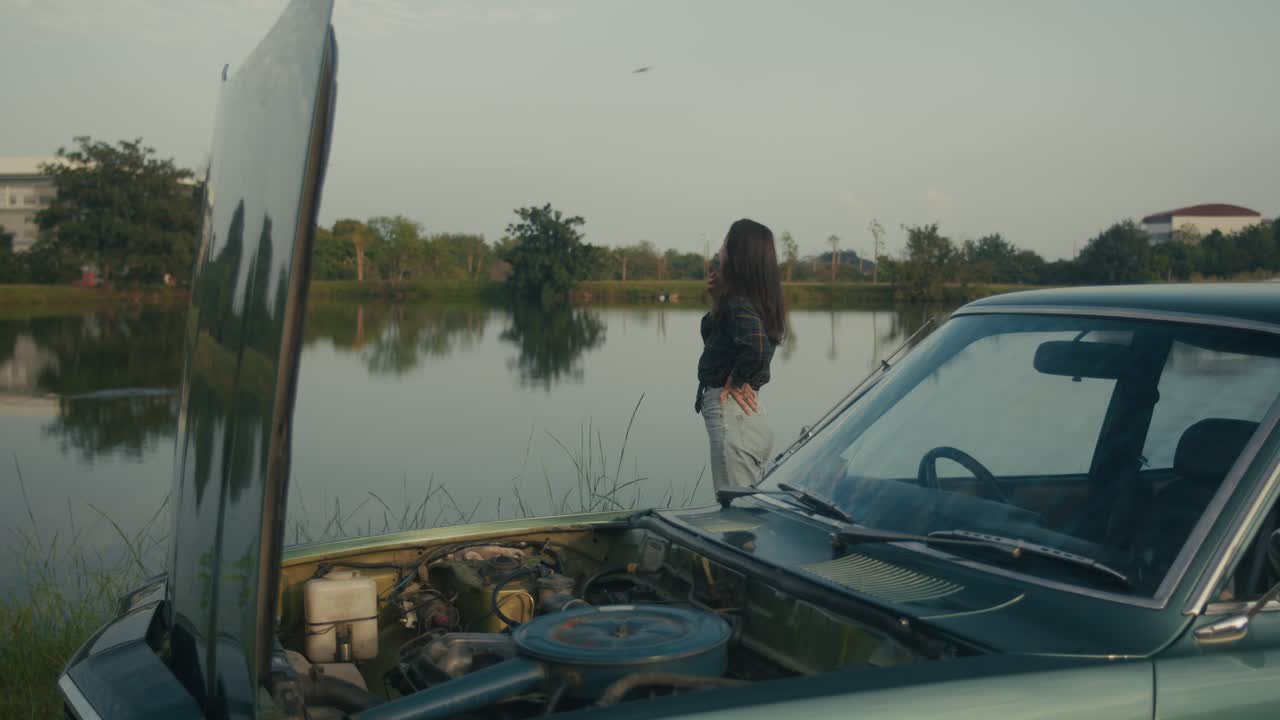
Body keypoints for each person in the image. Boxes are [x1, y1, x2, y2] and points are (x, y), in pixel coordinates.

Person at [695, 219, 786, 492]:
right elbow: (717, 342)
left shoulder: (739, 303)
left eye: (725, 243)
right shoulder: (747, 302)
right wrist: (717, 299)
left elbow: (756, 347)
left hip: (733, 418)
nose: (720, 249)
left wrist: (736, 380)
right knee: (745, 513)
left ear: (736, 255)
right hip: (747, 421)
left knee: (736, 516)